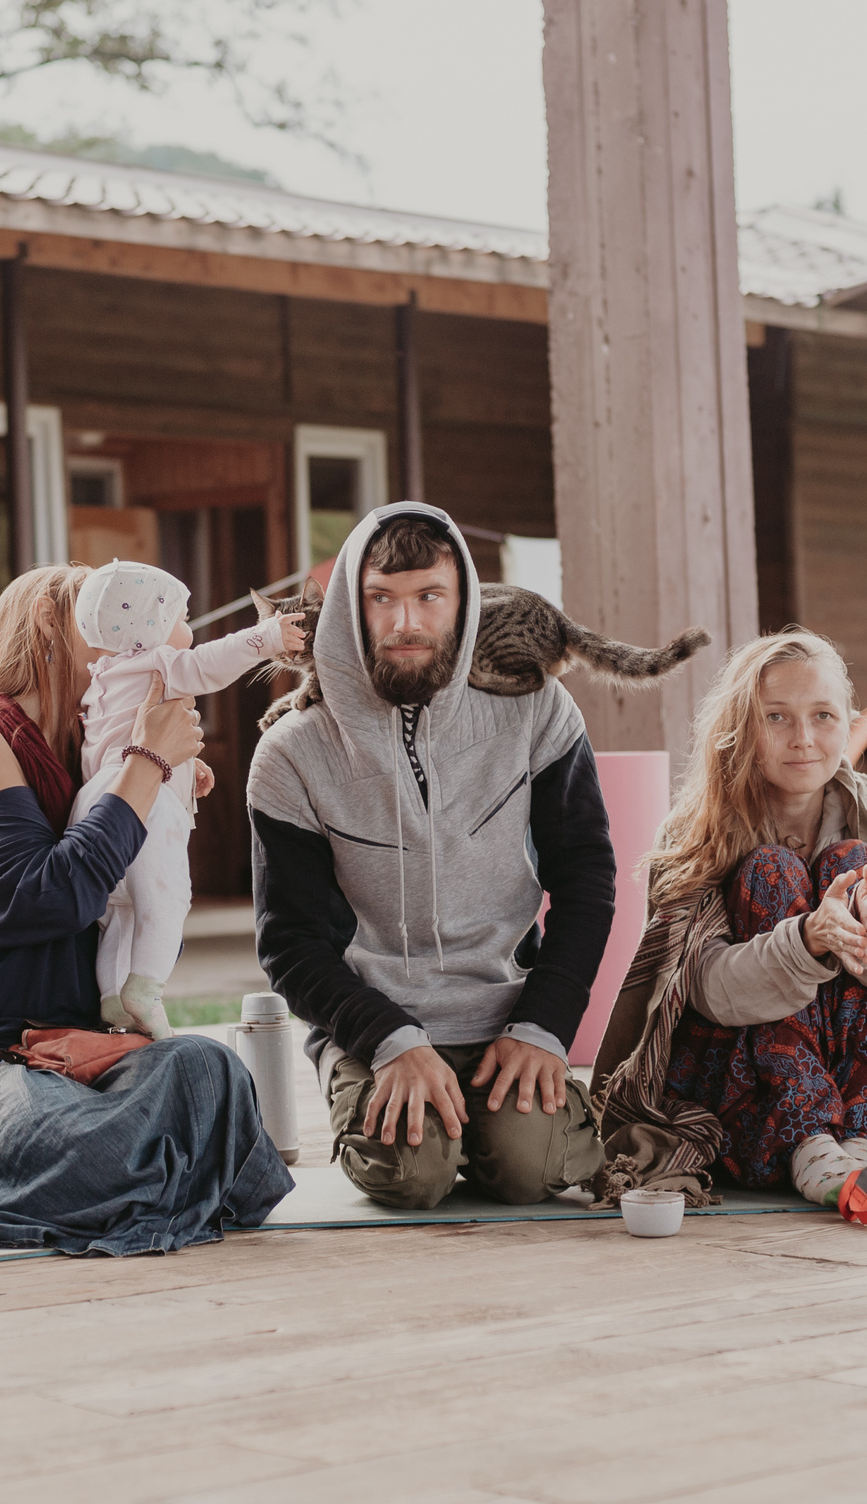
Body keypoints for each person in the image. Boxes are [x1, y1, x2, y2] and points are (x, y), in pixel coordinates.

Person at [0, 564, 293, 1256]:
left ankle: (137, 1185)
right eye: (112, 632)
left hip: (84, 1065)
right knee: (84, 1139)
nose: (133, 653)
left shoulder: (84, 766)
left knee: (208, 1069)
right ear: (52, 634)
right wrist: (144, 763)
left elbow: (132, 883)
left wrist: (159, 787)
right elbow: (58, 897)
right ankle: (157, 1181)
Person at [248, 505, 613, 1210]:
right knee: (414, 1175)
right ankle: (404, 1113)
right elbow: (288, 943)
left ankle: (505, 1123)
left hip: (506, 1013)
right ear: (349, 607)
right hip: (374, 1024)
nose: (404, 623)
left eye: (428, 597)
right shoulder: (290, 752)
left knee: (529, 1168)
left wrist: (544, 1027)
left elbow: (586, 877)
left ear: (464, 601)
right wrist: (386, 1039)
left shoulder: (539, 710)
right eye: (380, 598)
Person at [589, 629, 867, 1206]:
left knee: (854, 864)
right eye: (776, 717)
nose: (803, 739)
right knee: (768, 871)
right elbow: (700, 991)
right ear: (740, 728)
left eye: (823, 716)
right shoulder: (698, 831)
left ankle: (859, 1142)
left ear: (849, 722)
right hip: (752, 1099)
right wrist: (804, 943)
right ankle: (810, 1139)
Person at [68, 559, 301, 1037]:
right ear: (149, 629)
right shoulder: (159, 663)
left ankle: (112, 996)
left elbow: (111, 749)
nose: (189, 628)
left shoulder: (104, 678)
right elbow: (211, 664)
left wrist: (186, 765)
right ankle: (147, 989)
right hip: (146, 806)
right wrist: (269, 638)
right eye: (181, 618)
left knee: (121, 911)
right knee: (166, 899)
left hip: (99, 802)